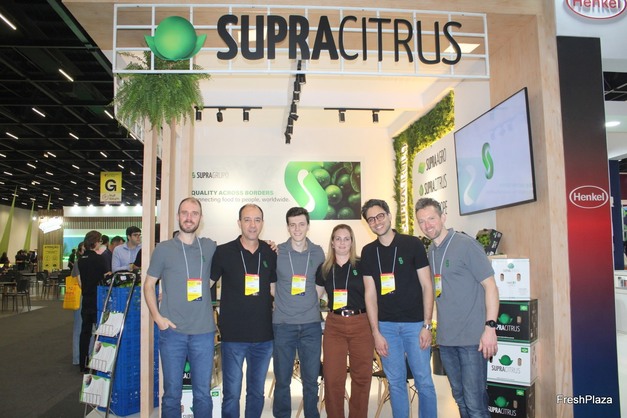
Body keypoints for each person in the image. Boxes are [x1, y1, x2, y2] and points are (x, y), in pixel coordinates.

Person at [415, 198, 499, 418]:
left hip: (472, 340)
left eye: (431, 218)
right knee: (460, 399)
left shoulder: (466, 245)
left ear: (443, 217)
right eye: (422, 221)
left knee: (475, 404)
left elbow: (491, 286)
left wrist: (490, 328)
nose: (427, 225)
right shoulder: (431, 252)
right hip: (446, 340)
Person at [360, 198, 437, 418]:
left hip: (415, 326)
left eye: (380, 216)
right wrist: (376, 332)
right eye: (371, 219)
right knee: (395, 383)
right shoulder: (368, 252)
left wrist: (427, 325)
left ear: (389, 215)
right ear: (368, 223)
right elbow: (370, 294)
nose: (377, 222)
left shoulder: (412, 244)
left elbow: (427, 286)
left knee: (423, 381)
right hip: (386, 328)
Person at [144, 197, 217, 418]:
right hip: (172, 332)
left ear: (201, 218)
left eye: (194, 213)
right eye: (185, 213)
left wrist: (267, 244)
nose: (189, 217)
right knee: (171, 395)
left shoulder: (210, 247)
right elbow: (148, 285)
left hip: (203, 333)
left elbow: (239, 248)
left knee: (203, 394)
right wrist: (158, 318)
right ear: (178, 216)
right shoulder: (163, 249)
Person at [210, 204, 277, 418]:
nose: (252, 225)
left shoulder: (270, 252)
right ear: (239, 223)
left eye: (257, 220)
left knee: (256, 392)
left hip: (263, 336)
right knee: (231, 393)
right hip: (233, 336)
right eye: (247, 219)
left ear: (262, 223)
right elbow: (205, 284)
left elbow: (274, 289)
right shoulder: (223, 252)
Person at [315, 224, 374, 418]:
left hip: (361, 323)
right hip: (334, 325)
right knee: (333, 378)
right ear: (332, 242)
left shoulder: (362, 265)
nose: (342, 243)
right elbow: (315, 297)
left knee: (362, 377)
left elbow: (372, 295)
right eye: (338, 239)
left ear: (352, 242)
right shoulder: (324, 268)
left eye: (346, 238)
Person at [272, 207, 325, 418]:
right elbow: (272, 287)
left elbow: (320, 286)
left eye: (301, 224)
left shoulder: (318, 252)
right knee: (282, 380)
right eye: (292, 225)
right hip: (283, 325)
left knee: (311, 380)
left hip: (311, 325)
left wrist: (308, 303)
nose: (297, 229)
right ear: (287, 227)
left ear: (308, 226)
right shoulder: (277, 252)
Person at [77, 231, 108, 372]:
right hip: (98, 298)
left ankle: (83, 363)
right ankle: (98, 362)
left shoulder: (81, 259)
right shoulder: (99, 259)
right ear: (95, 242)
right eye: (100, 241)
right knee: (100, 331)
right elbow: (105, 276)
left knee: (85, 332)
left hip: (86, 298)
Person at [71, 242, 86, 366]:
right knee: (78, 328)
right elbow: (80, 282)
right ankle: (77, 357)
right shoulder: (78, 263)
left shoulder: (79, 263)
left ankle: (79, 357)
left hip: (82, 295)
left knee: (80, 328)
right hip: (80, 296)